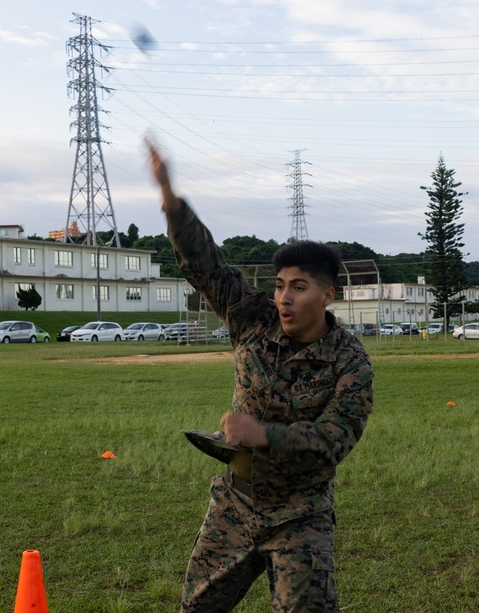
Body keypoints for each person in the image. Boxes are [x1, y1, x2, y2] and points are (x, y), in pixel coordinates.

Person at [148, 140, 375, 612]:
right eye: (279, 286)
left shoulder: (349, 361)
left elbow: (335, 438)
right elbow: (206, 267)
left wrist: (263, 434)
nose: (284, 298)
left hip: (301, 514)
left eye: (298, 287)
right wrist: (171, 199)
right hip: (235, 503)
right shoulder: (253, 319)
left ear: (327, 295)